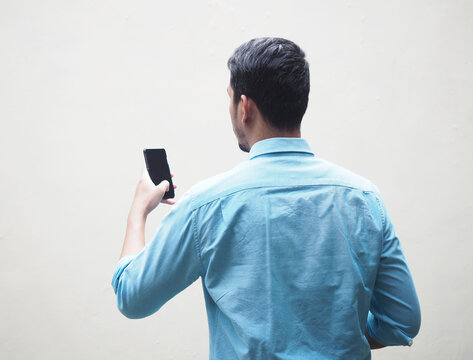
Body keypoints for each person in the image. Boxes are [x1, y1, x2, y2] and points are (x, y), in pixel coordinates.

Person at [111, 37, 421, 359]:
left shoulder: (205, 205)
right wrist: (333, 337)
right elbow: (401, 321)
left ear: (245, 107)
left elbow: (132, 297)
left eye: (230, 100)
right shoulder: (365, 199)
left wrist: (138, 213)